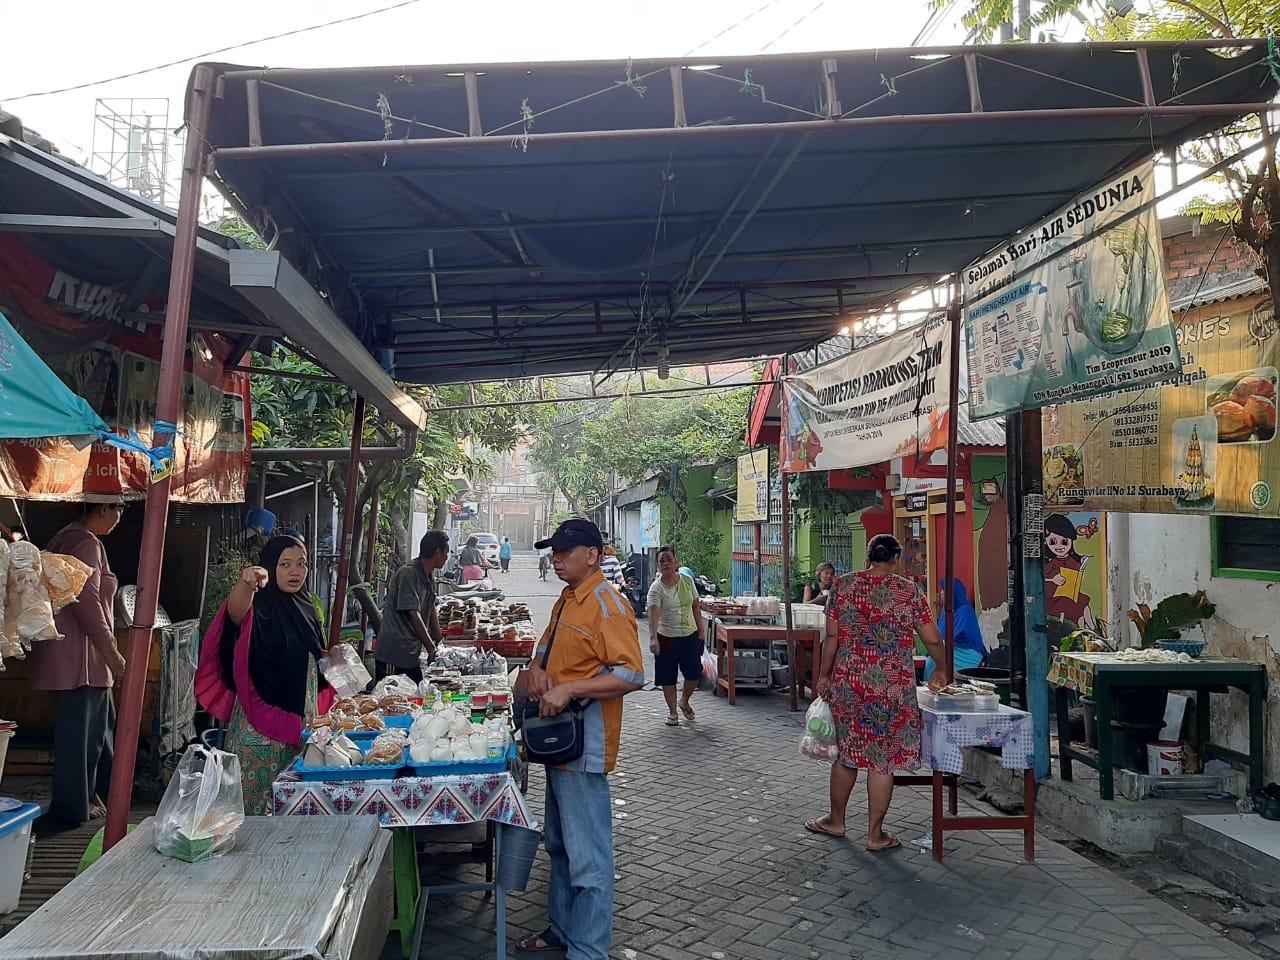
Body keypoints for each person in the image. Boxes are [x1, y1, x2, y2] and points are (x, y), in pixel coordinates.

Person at [514, 519, 644, 959]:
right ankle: (561, 929)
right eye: (554, 551)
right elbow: (546, 650)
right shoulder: (569, 599)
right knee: (559, 843)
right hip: (557, 742)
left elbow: (630, 673)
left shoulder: (607, 603)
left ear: (593, 554)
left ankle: (588, 949)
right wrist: (537, 670)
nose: (557, 557)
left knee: (588, 857)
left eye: (565, 550)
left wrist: (570, 688)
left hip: (582, 745)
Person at [807, 533, 949, 851]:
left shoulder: (843, 585)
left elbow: (831, 637)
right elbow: (932, 638)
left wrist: (823, 675)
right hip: (892, 688)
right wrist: (940, 667)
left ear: (868, 557)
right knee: (881, 761)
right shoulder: (908, 591)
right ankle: (875, 835)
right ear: (896, 559)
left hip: (850, 683)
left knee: (847, 755)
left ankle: (836, 820)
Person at [195, 535, 333, 816]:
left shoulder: (306, 605)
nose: (295, 571)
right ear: (270, 566)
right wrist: (248, 583)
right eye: (285, 564)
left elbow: (313, 658)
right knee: (256, 823)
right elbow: (235, 613)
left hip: (299, 733)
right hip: (259, 738)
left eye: (301, 564)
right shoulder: (259, 605)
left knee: (291, 819)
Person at [29, 500, 127, 827]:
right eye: (119, 509)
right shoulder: (86, 543)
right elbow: (89, 602)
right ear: (102, 509)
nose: (119, 518)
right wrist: (111, 650)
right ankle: (73, 811)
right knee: (83, 738)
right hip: (82, 658)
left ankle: (92, 797)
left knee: (94, 733)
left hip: (68, 655)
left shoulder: (64, 538)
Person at [374, 531, 448, 683]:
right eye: (445, 553)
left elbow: (430, 608)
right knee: (392, 696)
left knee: (416, 693)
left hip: (410, 654)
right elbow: (412, 614)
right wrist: (431, 647)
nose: (447, 557)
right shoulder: (408, 574)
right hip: (394, 653)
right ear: (437, 553)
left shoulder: (428, 575)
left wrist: (439, 641)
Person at [647, 545, 703, 726]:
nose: (666, 564)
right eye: (661, 561)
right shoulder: (656, 589)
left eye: (669, 559)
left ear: (676, 562)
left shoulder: (687, 581)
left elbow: (695, 606)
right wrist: (653, 638)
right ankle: (672, 712)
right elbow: (653, 614)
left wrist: (701, 631)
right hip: (666, 637)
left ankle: (684, 701)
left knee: (694, 673)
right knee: (667, 676)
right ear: (658, 566)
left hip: (689, 635)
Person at [1043, 513, 1099, 632]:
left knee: (1083, 604)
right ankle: (1089, 633)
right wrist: (1053, 579)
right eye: (1053, 542)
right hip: (1053, 599)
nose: (1059, 546)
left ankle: (1092, 632)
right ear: (1045, 541)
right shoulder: (1050, 563)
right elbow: (1038, 579)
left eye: (1064, 542)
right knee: (1079, 606)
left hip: (1069, 596)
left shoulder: (1073, 561)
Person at [925, 578, 986, 680]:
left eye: (944, 590)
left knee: (933, 662)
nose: (941, 593)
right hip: (950, 649)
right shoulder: (946, 610)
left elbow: (960, 635)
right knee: (932, 660)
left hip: (965, 651)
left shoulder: (964, 609)